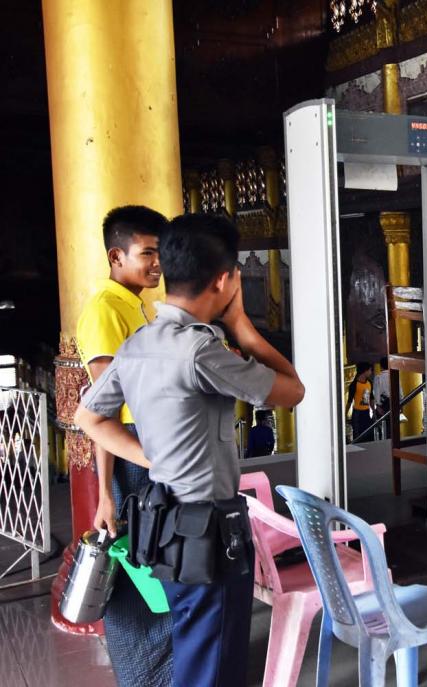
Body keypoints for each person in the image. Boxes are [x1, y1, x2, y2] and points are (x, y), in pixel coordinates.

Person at [75, 213, 305, 687]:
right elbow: (292, 390)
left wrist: (154, 459)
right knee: (213, 665)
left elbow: (88, 418)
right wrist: (242, 327)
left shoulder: (139, 344)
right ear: (224, 280)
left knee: (194, 651)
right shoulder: (202, 351)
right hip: (208, 531)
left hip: (162, 524)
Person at [74, 205, 172, 686]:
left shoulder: (141, 304)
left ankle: (170, 672)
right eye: (148, 253)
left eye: (161, 252)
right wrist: (107, 494)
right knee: (138, 576)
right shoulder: (105, 310)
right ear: (117, 255)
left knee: (159, 565)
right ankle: (144, 678)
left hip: (149, 447)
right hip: (132, 456)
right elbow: (102, 413)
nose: (157, 263)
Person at [348, 362, 374, 442]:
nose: (371, 372)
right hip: (357, 414)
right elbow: (349, 401)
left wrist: (374, 410)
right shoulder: (354, 384)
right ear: (364, 371)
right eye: (370, 370)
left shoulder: (369, 382)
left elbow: (371, 397)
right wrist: (345, 414)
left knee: (368, 435)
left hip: (366, 412)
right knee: (358, 436)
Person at [372, 356, 391, 439]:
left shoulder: (378, 377)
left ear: (381, 366)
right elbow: (400, 391)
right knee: (392, 425)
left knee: (382, 425)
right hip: (393, 402)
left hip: (383, 404)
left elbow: (376, 392)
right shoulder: (393, 375)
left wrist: (378, 405)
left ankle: (384, 441)